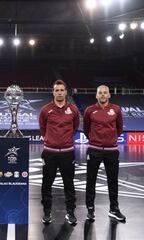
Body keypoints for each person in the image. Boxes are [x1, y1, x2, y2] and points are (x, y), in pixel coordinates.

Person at [39, 80, 80, 226]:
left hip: (67, 153)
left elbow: (75, 127)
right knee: (46, 184)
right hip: (49, 152)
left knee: (69, 183)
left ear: (66, 92)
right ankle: (47, 212)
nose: (60, 92)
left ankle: (70, 212)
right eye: (57, 90)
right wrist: (52, 140)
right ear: (53, 92)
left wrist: (65, 140)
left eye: (62, 90)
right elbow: (43, 128)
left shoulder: (73, 109)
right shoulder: (45, 110)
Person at [83, 85, 126, 222]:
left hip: (111, 151)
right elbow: (86, 129)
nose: (102, 95)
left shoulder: (116, 109)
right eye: (100, 93)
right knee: (91, 180)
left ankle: (114, 209)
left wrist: (110, 140)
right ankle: (90, 209)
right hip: (94, 150)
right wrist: (95, 140)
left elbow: (119, 128)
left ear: (109, 95)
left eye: (105, 93)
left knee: (112, 181)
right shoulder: (90, 110)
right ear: (96, 95)